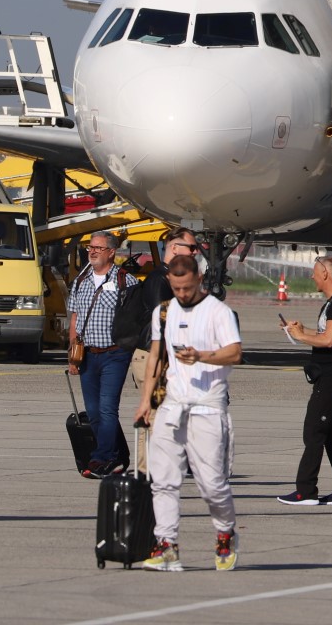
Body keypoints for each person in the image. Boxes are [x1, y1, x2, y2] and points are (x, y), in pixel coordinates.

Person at [132, 255, 243, 572]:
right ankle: (167, 545)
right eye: (176, 287)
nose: (181, 293)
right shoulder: (163, 312)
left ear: (198, 279)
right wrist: (145, 401)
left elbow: (235, 352)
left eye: (186, 287)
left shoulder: (218, 312)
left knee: (212, 484)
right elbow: (156, 356)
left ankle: (225, 533)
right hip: (172, 404)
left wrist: (202, 356)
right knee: (163, 480)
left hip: (208, 405)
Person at [277, 256, 332, 506]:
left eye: (314, 272)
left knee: (314, 431)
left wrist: (302, 337)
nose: (312, 277)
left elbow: (329, 341)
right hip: (331, 376)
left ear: (325, 274)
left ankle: (306, 491)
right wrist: (300, 331)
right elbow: (325, 335)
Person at [67, 232, 137, 478]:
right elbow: (74, 316)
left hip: (114, 354)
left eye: (98, 247)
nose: (92, 251)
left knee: (108, 408)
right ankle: (115, 455)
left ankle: (102, 458)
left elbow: (135, 320)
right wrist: (73, 354)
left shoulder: (126, 281)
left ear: (111, 252)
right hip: (87, 354)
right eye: (90, 247)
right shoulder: (81, 280)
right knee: (94, 410)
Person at [126, 229, 189, 473]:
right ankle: (146, 472)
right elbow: (162, 327)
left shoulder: (171, 279)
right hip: (153, 355)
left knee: (164, 416)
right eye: (191, 248)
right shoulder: (158, 280)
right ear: (174, 249)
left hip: (162, 356)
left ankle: (156, 469)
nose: (196, 253)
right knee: (152, 415)